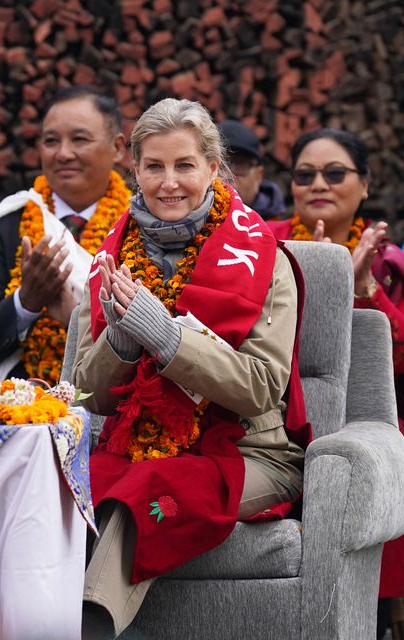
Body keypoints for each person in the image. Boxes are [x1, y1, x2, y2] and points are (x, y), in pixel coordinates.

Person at [74, 99, 307, 638]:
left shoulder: (265, 257)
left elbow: (259, 389)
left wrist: (167, 336)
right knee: (77, 488)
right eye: (154, 166)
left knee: (142, 490)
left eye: (184, 166)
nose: (169, 182)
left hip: (250, 451)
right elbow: (87, 393)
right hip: (130, 442)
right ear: (134, 168)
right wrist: (124, 341)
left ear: (212, 168)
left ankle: (86, 625)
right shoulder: (111, 259)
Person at [268, 128, 404, 637]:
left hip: (362, 412)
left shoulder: (388, 261)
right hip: (271, 405)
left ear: (365, 185)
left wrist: (362, 288)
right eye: (305, 175)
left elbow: (394, 360)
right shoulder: (262, 243)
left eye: (335, 173)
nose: (317, 184)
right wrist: (312, 285)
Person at [0, 85, 131, 385]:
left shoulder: (140, 225)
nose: (64, 153)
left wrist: (76, 320)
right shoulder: (5, 225)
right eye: (51, 141)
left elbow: (157, 338)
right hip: (21, 407)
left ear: (118, 147)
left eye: (79, 139)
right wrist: (25, 302)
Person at [218, 120, 287, 220]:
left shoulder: (284, 230)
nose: (225, 175)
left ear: (259, 176)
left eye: (238, 164)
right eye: (217, 166)